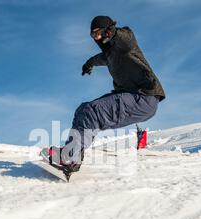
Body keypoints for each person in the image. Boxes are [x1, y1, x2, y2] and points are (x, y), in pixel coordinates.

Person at [49, 15, 165, 173]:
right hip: (134, 98)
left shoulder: (125, 43)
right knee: (84, 110)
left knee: (93, 112)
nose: (96, 38)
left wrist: (114, 32)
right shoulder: (109, 55)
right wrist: (88, 64)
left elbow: (126, 37)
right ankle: (73, 151)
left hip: (144, 97)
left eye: (98, 33)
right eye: (92, 35)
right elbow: (98, 59)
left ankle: (70, 157)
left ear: (107, 31)